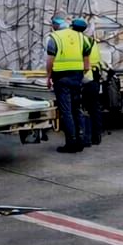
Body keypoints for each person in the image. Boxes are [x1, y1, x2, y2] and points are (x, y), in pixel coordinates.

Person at [44, 14, 91, 153]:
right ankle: (81, 140)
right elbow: (87, 65)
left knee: (66, 111)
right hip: (77, 78)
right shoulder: (83, 38)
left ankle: (71, 143)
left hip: (61, 78)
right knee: (77, 109)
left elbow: (49, 61)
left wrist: (48, 76)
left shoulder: (55, 38)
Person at [73, 17, 105, 147]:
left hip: (82, 78)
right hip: (93, 78)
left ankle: (84, 137)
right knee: (95, 109)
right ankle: (96, 136)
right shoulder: (92, 42)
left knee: (79, 109)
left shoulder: (78, 42)